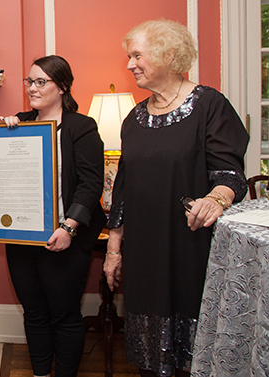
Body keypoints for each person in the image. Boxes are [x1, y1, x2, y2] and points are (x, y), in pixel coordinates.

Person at [103, 20, 249, 377]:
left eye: (137, 55)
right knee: (149, 362)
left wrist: (216, 199)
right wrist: (113, 250)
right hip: (144, 256)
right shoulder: (134, 118)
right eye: (129, 56)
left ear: (167, 55)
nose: (129, 64)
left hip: (192, 247)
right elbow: (122, 190)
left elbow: (229, 173)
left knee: (193, 361)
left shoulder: (210, 105)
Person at [0, 56, 107, 377]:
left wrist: (69, 228)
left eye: (40, 82)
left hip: (65, 237)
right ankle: (41, 373)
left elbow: (91, 185)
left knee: (64, 314)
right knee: (33, 313)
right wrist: (4, 136)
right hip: (21, 236)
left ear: (62, 87)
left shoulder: (81, 127)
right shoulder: (19, 122)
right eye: (29, 81)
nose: (32, 88)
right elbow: (1, 174)